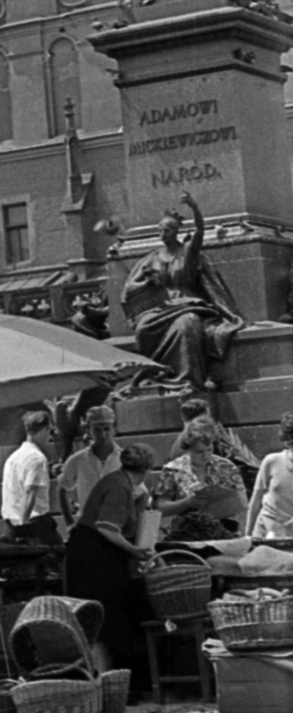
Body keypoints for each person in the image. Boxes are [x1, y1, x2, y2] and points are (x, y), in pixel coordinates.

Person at [120, 191, 242, 391]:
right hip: (160, 305)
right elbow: (130, 288)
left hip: (187, 302)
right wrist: (148, 283)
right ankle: (155, 372)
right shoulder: (152, 257)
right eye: (160, 230)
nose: (162, 234)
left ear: (175, 232)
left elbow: (200, 232)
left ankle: (187, 379)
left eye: (167, 230)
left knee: (187, 324)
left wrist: (195, 209)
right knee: (142, 329)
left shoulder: (187, 252)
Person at [65, 444, 156, 679]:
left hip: (100, 555)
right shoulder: (118, 486)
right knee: (101, 618)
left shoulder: (120, 482)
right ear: (144, 470)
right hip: (93, 556)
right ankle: (102, 676)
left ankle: (107, 675)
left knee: (106, 618)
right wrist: (133, 550)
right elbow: (106, 527)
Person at [153, 420, 247, 546]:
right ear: (188, 449)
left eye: (209, 449)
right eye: (199, 452)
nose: (206, 455)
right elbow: (160, 507)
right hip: (187, 534)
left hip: (223, 532)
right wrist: (187, 503)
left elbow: (243, 502)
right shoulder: (173, 469)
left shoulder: (226, 467)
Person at [58, 405, 122, 527]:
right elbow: (62, 489)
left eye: (106, 429)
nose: (103, 434)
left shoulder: (124, 459)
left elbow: (140, 492)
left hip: (117, 527)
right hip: (88, 527)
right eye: (97, 430)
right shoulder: (77, 460)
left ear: (114, 429)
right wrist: (69, 523)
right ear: (89, 431)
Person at [0, 411, 58, 543]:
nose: (50, 436)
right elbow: (29, 492)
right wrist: (22, 528)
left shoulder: (12, 458)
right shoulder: (37, 458)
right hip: (33, 525)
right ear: (44, 430)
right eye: (50, 430)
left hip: (10, 525)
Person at [245, 413, 293, 541]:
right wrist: (247, 534)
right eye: (290, 441)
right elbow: (256, 500)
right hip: (266, 531)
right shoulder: (271, 461)